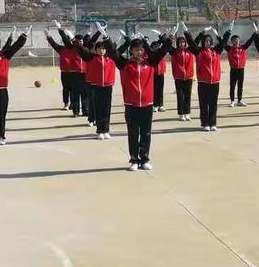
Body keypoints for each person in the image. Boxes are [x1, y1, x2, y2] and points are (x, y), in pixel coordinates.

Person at [107, 34, 171, 171]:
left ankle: (145, 159)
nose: (139, 52)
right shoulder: (125, 64)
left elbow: (162, 51)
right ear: (131, 51)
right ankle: (134, 160)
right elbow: (113, 53)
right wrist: (107, 39)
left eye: (141, 49)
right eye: (136, 50)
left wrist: (169, 40)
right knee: (133, 133)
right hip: (131, 105)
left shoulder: (150, 63)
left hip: (147, 104)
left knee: (146, 133)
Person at [0, 26, 30, 146]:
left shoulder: (4, 55)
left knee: (1, 114)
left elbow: (16, 46)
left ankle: (1, 136)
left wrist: (23, 35)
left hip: (1, 91)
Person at [73, 23, 115, 140]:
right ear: (95, 50)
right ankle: (99, 130)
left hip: (108, 86)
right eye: (99, 49)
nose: (101, 50)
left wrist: (105, 35)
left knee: (107, 109)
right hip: (96, 86)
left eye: (103, 49)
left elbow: (114, 48)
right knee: (98, 108)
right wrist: (73, 40)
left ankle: (106, 129)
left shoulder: (110, 58)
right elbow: (81, 49)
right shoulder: (91, 57)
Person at [185, 24, 228, 132]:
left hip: (215, 82)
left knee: (213, 104)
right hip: (203, 82)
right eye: (206, 41)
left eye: (209, 41)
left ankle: (213, 123)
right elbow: (191, 42)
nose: (208, 43)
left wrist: (222, 35)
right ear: (203, 42)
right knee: (204, 104)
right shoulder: (199, 51)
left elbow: (223, 43)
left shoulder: (216, 51)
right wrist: (200, 33)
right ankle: (205, 123)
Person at [224, 21, 254, 107]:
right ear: (232, 41)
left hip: (241, 69)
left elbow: (250, 41)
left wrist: (255, 33)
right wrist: (229, 30)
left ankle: (240, 100)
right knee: (232, 86)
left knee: (240, 85)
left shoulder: (243, 48)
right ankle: (232, 101)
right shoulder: (229, 49)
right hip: (233, 69)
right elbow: (223, 42)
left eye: (238, 40)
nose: (236, 41)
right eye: (235, 40)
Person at [168, 28, 195, 121]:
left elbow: (192, 42)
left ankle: (187, 113)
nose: (182, 44)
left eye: (183, 42)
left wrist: (186, 31)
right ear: (177, 43)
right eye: (180, 42)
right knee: (180, 96)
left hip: (188, 77)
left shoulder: (190, 50)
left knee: (188, 95)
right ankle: (181, 113)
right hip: (178, 77)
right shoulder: (174, 52)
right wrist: (171, 34)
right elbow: (166, 45)